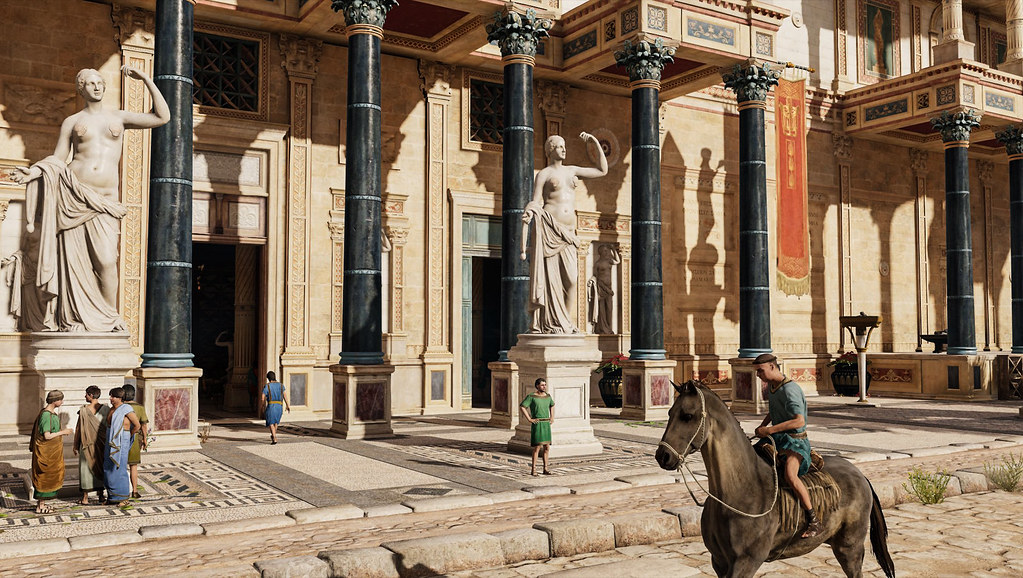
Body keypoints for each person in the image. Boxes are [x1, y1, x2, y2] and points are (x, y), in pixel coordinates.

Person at [9, 65, 169, 332]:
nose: (97, 87)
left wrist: (145, 79)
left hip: (104, 201)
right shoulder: (72, 121)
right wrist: (35, 172)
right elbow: (59, 158)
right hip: (74, 196)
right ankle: (76, 318)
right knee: (75, 262)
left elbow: (162, 117)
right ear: (80, 89)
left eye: (100, 83)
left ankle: (109, 318)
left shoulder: (118, 116)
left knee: (106, 261)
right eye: (91, 83)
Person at [522, 133, 608, 334]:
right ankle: (552, 324)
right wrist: (530, 210)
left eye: (564, 146)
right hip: (550, 230)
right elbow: (537, 200)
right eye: (560, 146)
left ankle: (565, 323)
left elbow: (602, 170)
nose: (564, 149)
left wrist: (594, 141)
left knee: (571, 279)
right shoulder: (543, 174)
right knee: (550, 279)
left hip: (568, 233)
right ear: (550, 150)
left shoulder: (572, 170)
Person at [751, 353, 821, 539]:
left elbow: (799, 421)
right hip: (778, 438)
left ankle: (813, 520)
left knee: (790, 475)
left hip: (795, 442)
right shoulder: (773, 387)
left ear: (772, 367)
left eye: (760, 371)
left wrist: (769, 430)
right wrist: (763, 426)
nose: (758, 375)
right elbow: (774, 411)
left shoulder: (790, 390)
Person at [30, 390, 74, 514]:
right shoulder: (46, 415)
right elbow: (47, 436)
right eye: (61, 400)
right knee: (44, 477)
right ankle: (40, 506)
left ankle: (42, 504)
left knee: (49, 476)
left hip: (52, 453)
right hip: (46, 453)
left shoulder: (50, 414)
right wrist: (64, 432)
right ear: (55, 401)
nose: (62, 402)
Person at [72, 385, 109, 505]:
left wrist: (75, 444)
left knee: (85, 469)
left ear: (91, 395)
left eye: (86, 394)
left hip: (86, 444)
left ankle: (85, 498)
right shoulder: (106, 409)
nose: (85, 396)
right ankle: (101, 495)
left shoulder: (83, 410)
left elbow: (78, 429)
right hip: (101, 444)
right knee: (100, 467)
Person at [104, 387, 140, 505]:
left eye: (113, 396)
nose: (111, 398)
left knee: (120, 467)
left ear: (120, 398)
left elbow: (137, 425)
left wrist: (128, 436)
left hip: (122, 439)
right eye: (110, 396)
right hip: (110, 440)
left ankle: (124, 498)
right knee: (108, 468)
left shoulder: (126, 409)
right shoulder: (111, 409)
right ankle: (112, 497)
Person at [519, 378, 555, 476]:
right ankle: (533, 469)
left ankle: (545, 468)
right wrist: (529, 419)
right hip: (537, 424)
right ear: (537, 386)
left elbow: (552, 405)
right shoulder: (531, 396)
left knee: (547, 447)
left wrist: (552, 417)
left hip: (546, 424)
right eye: (542, 385)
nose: (544, 387)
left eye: (545, 385)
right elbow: (522, 406)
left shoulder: (548, 396)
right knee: (537, 447)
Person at [122, 384, 148, 499]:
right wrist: (145, 439)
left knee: (121, 465)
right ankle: (135, 491)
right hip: (136, 438)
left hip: (122, 437)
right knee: (133, 466)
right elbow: (144, 425)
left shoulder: (121, 407)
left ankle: (123, 491)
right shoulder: (140, 408)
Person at [587, 243, 620, 334]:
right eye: (605, 251)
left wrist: (613, 249)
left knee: (609, 309)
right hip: (601, 288)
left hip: (609, 288)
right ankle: (602, 329)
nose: (607, 252)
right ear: (601, 252)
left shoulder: (609, 261)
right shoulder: (598, 264)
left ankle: (608, 328)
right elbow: (596, 277)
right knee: (601, 310)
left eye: (607, 251)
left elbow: (618, 261)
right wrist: (605, 288)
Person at [262, 371, 290, 444]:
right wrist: (287, 405)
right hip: (279, 406)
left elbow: (262, 397)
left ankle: (274, 438)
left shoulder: (267, 386)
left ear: (268, 378)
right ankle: (273, 434)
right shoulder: (281, 385)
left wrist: (262, 405)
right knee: (276, 422)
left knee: (270, 422)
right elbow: (285, 395)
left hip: (271, 406)